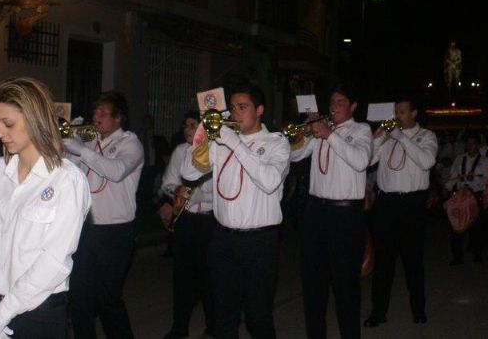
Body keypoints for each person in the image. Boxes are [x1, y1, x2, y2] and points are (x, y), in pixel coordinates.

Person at [0, 77, 91, 338]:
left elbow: (54, 261)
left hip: (37, 313)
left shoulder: (66, 180)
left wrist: (0, 315)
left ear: (35, 120)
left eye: (8, 124)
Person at [182, 83, 289, 339]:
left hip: (260, 241)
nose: (235, 113)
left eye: (243, 107)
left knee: (258, 316)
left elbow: (270, 180)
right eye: (232, 108)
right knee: (224, 316)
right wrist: (202, 138)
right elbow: (188, 173)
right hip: (223, 239)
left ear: (260, 109)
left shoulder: (276, 143)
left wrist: (233, 143)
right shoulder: (221, 142)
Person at [289, 84, 372, 339]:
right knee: (313, 285)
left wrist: (329, 135)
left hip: (345, 215)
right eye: (332, 101)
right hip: (316, 212)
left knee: (345, 286)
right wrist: (303, 133)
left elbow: (360, 161)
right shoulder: (321, 132)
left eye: (340, 101)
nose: (334, 105)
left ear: (353, 106)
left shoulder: (362, 130)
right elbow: (295, 156)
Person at [64, 91, 144, 339]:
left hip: (116, 231)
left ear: (118, 118)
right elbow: (68, 171)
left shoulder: (130, 143)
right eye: (94, 112)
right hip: (86, 229)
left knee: (108, 298)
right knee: (78, 296)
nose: (96, 117)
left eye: (102, 113)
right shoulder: (90, 141)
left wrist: (82, 150)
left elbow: (117, 170)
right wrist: (67, 144)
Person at [364, 96, 438, 328]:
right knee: (384, 263)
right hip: (386, 205)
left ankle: (418, 310)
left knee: (413, 261)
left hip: (412, 205)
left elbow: (426, 161)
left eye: (402, 111)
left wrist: (400, 137)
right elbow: (367, 161)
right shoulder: (388, 136)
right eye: (395, 111)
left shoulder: (426, 136)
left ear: (414, 113)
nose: (397, 115)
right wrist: (377, 139)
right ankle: (378, 312)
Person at [159, 111, 215, 339]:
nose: (187, 129)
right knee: (182, 277)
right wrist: (177, 191)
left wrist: (200, 195)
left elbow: (223, 192)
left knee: (209, 277)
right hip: (186, 219)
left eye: (193, 125)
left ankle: (213, 326)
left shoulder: (215, 151)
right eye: (185, 125)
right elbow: (167, 183)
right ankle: (179, 327)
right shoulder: (180, 151)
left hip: (210, 220)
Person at [445, 132, 488, 264]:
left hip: (475, 196)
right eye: (468, 143)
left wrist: (476, 178)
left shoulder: (484, 161)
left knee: (476, 227)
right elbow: (453, 176)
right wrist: (447, 188)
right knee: (457, 226)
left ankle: (477, 254)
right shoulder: (459, 159)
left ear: (478, 145)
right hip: (460, 196)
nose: (470, 146)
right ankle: (457, 256)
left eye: (473, 143)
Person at [137, 114, 170, 204]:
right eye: (145, 123)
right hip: (139, 169)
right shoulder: (136, 138)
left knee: (150, 194)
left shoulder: (158, 139)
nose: (146, 125)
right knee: (139, 194)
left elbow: (166, 157)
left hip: (152, 169)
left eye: (149, 123)